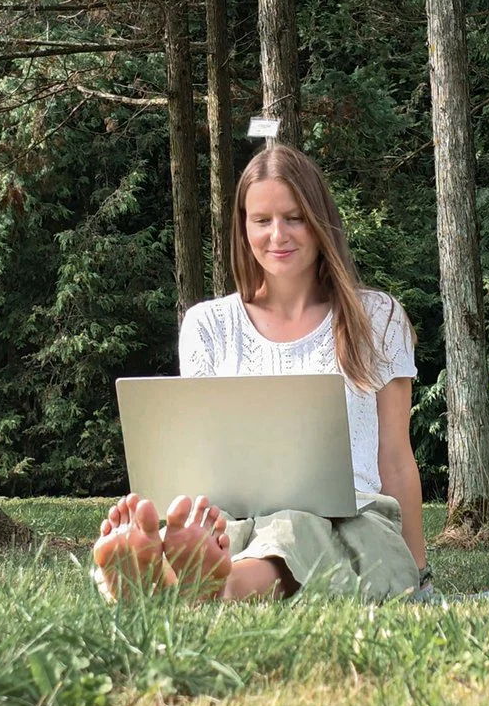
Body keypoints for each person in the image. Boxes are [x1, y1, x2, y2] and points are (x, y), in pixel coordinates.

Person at [92, 144, 427, 603]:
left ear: (320, 220)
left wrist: (417, 571)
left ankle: (203, 584)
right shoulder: (208, 325)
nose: (278, 236)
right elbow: (202, 457)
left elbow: (395, 457)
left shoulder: (377, 317)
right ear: (242, 226)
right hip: (235, 520)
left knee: (298, 529)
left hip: (352, 519)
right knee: (228, 529)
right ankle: (176, 572)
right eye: (262, 220)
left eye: (294, 217)